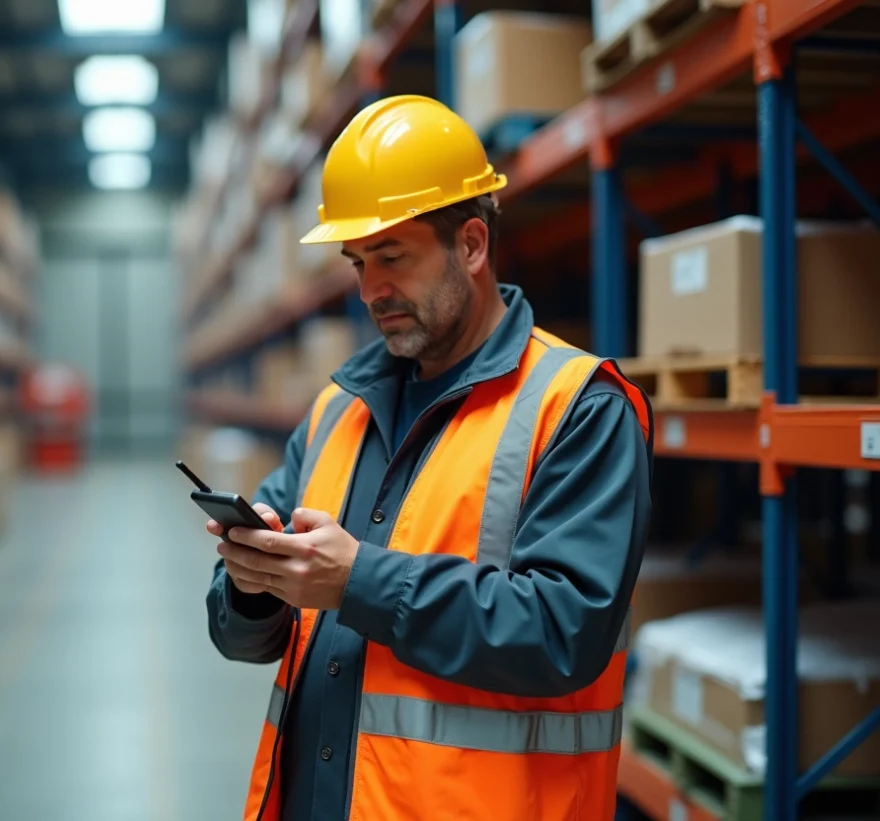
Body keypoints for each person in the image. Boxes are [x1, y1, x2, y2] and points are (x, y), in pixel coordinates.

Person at [204, 94, 654, 821]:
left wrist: (357, 581)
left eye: (392, 257)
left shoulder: (577, 406)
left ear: (471, 245)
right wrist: (252, 585)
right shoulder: (335, 411)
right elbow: (242, 635)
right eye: (357, 262)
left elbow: (565, 633)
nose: (370, 290)